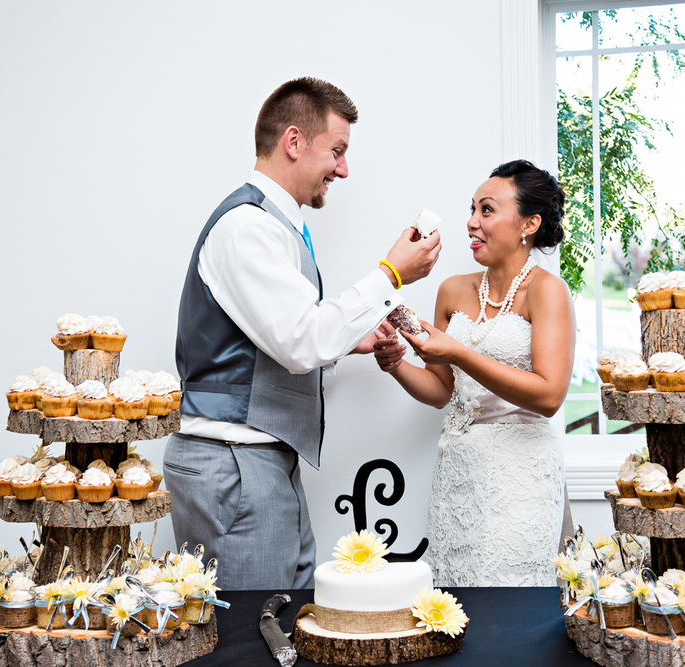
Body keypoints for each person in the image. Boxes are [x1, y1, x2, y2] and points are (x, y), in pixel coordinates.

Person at [168, 77, 442, 590]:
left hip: (261, 459)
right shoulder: (247, 227)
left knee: (284, 618)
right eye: (337, 151)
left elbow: (283, 337)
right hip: (236, 464)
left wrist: (347, 341)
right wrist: (391, 274)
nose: (343, 168)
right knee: (250, 638)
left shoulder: (275, 225)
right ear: (294, 142)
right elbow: (301, 343)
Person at [373, 160, 575, 586]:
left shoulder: (547, 291)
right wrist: (396, 365)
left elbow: (550, 396)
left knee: (510, 601)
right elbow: (442, 389)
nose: (471, 223)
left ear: (529, 224)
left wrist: (460, 353)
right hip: (460, 472)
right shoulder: (453, 290)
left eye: (486, 210)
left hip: (521, 476)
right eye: (472, 210)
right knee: (456, 597)